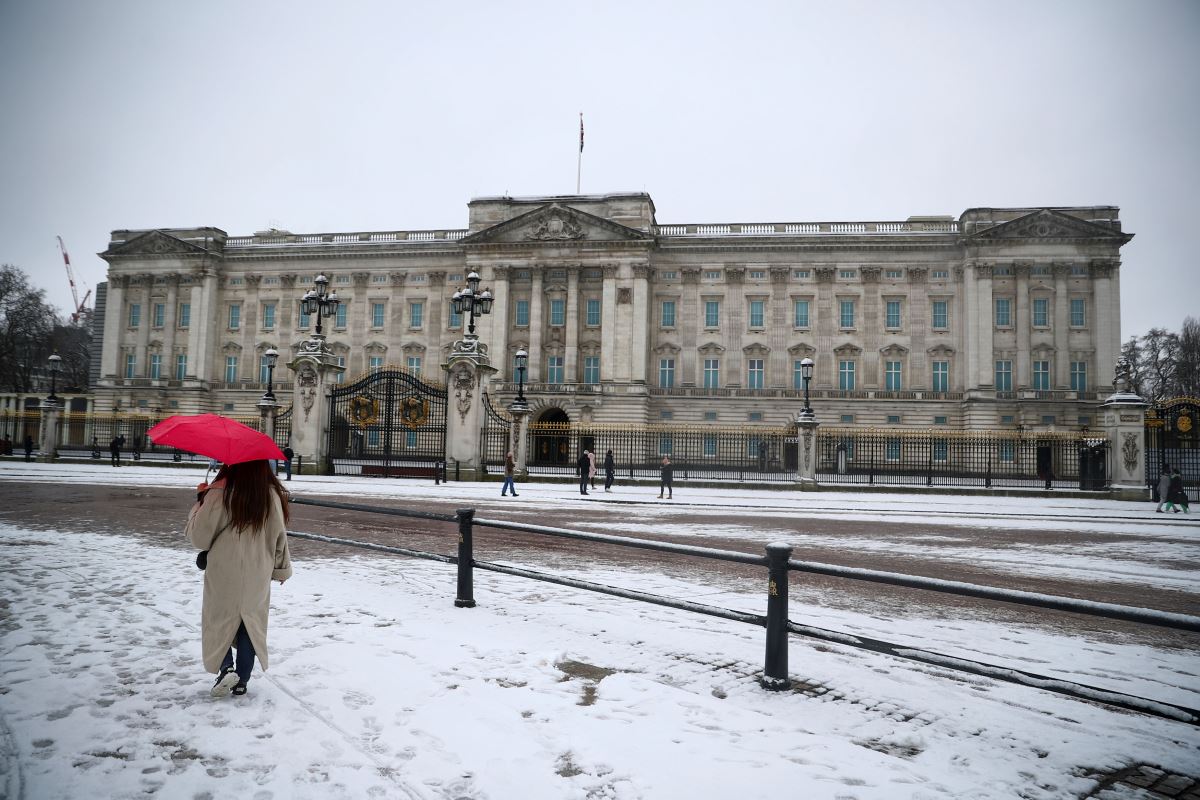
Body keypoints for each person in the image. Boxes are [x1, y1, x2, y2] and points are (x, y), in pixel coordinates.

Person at [186, 460, 293, 698]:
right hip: (258, 570)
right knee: (251, 624)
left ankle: (226, 669)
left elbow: (200, 538)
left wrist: (200, 502)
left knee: (219, 619)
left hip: (224, 569)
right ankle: (242, 680)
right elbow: (279, 537)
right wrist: (281, 569)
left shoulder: (219, 492)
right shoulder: (271, 495)